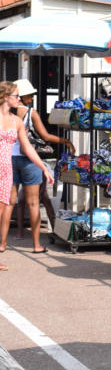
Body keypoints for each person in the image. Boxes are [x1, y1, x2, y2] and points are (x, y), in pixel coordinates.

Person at [12, 79, 75, 241]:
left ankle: (19, 232)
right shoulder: (31, 113)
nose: (32, 98)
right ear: (22, 96)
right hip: (29, 158)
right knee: (39, 198)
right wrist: (65, 141)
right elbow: (45, 136)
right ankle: (49, 233)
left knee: (16, 200)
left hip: (9, 159)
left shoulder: (5, 112)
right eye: (30, 95)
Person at [0, 81, 54, 260]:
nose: (19, 98)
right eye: (16, 95)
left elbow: (28, 147)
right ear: (6, 97)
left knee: (6, 206)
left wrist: (43, 168)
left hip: (7, 168)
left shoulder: (16, 121)